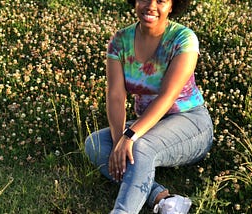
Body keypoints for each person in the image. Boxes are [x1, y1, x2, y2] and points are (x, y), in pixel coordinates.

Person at [85, 0, 213, 213]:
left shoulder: (184, 38)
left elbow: (167, 96)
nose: (151, 5)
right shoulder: (120, 40)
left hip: (191, 123)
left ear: (172, 6)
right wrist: (119, 142)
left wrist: (129, 137)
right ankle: (163, 199)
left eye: (161, 1)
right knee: (95, 144)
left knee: (140, 146)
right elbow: (116, 95)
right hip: (150, 125)